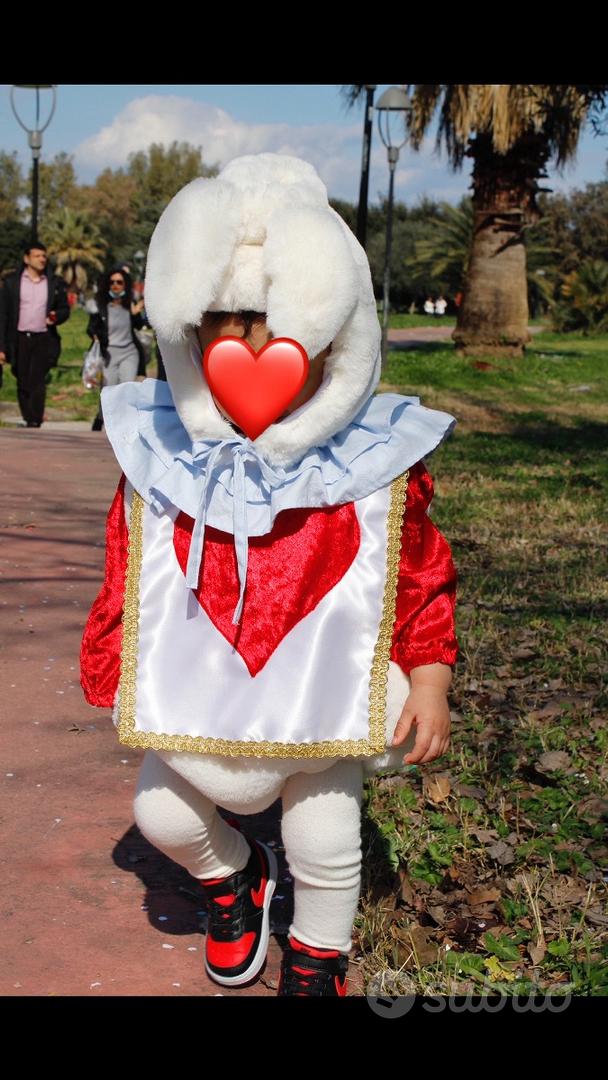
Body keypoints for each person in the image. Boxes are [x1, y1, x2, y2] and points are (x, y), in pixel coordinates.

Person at [80, 154, 458, 997]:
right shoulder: (160, 457)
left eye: (279, 328)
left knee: (325, 837)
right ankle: (236, 879)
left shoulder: (371, 464)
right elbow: (128, 563)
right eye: (224, 322)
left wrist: (428, 680)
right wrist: (111, 659)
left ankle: (319, 955)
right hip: (201, 692)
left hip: (320, 689)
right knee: (162, 813)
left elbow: (421, 578)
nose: (248, 348)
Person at [0, 242, 70, 426]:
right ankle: (27, 416)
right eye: (37, 256)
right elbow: (3, 315)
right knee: (22, 378)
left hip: (44, 337)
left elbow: (64, 309)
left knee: (38, 379)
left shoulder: (53, 283)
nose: (42, 259)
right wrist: (2, 347)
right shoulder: (11, 283)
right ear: (26, 259)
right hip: (19, 338)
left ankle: (35, 420)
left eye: (44, 256)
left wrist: (56, 316)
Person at [87, 267, 147, 431]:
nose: (115, 285)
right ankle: (101, 417)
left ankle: (123, 424)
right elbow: (91, 328)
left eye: (119, 282)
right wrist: (95, 335)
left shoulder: (130, 305)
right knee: (108, 390)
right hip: (109, 354)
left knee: (126, 387)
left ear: (125, 285)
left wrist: (135, 313)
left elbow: (140, 325)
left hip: (129, 353)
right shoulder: (100, 307)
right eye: (112, 282)